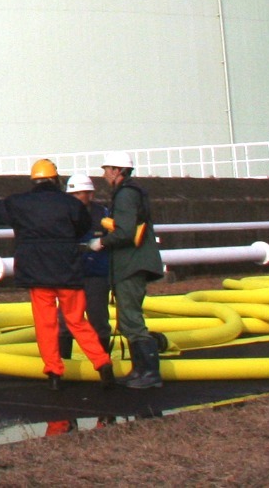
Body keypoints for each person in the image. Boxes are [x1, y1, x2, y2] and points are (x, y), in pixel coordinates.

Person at [0, 159, 116, 390]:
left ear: (34, 181)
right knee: (76, 321)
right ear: (56, 179)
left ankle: (54, 373)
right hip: (68, 271)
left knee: (45, 324)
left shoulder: (19, 203)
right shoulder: (70, 204)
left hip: (37, 272)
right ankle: (103, 364)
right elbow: (83, 227)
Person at [100, 151, 167, 389]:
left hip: (131, 265)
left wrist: (102, 242)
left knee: (131, 320)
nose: (104, 174)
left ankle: (148, 373)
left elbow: (125, 231)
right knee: (129, 319)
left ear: (118, 170)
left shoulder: (126, 195)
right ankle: (140, 370)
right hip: (133, 263)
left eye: (107, 169)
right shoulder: (132, 192)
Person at [54, 173, 112, 365]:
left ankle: (104, 362)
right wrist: (86, 246)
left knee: (98, 320)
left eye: (83, 193)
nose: (79, 198)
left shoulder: (102, 214)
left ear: (91, 194)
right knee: (65, 322)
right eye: (75, 194)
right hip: (70, 275)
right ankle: (65, 363)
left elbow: (115, 237)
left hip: (96, 274)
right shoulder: (62, 216)